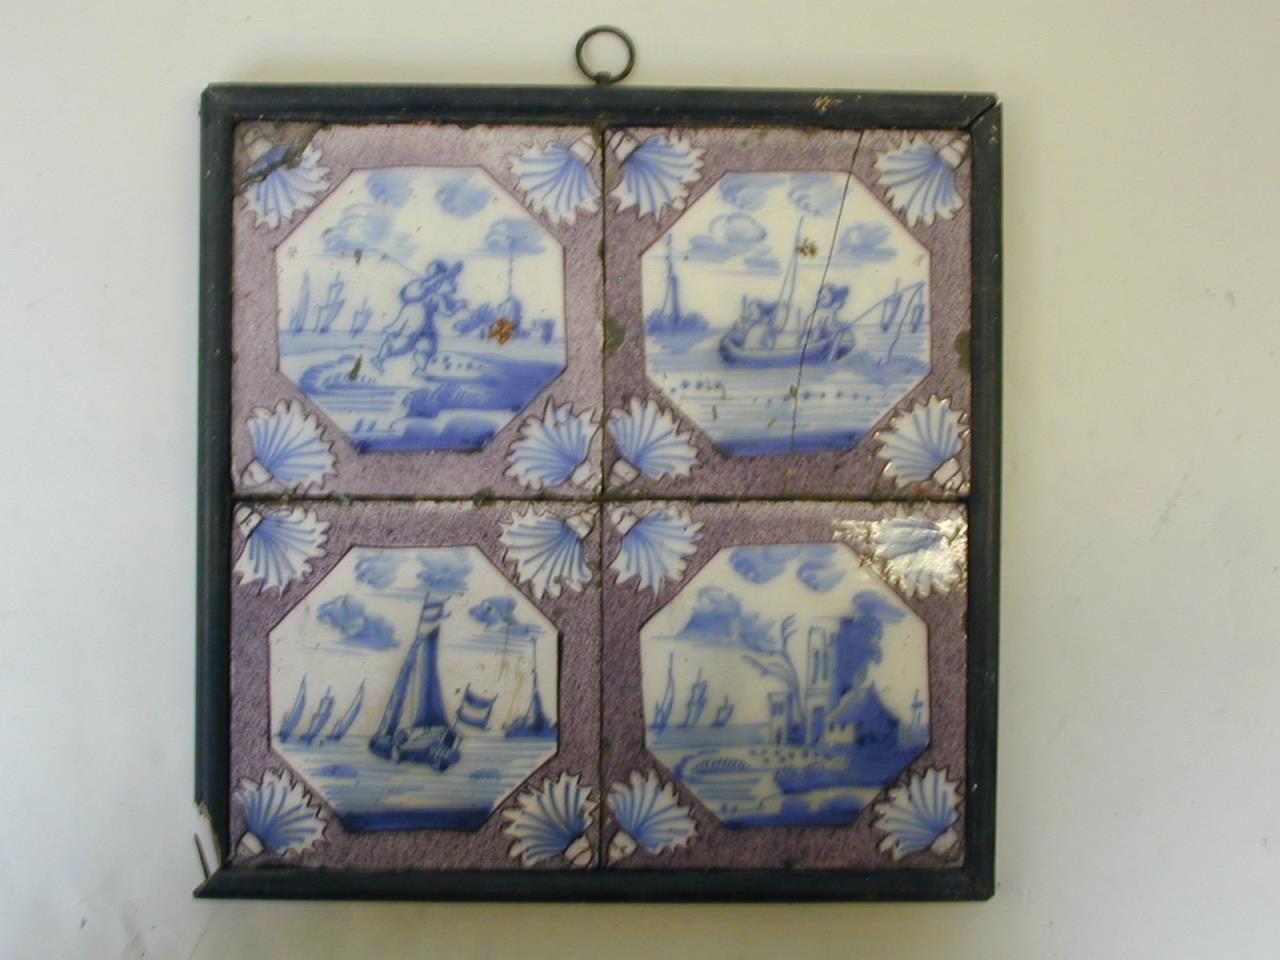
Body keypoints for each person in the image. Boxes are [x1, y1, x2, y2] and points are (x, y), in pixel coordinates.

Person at [372, 260, 468, 375]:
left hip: (426, 325)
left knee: (426, 346)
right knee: (401, 343)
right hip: (413, 320)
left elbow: (446, 312)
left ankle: (420, 369)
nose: (454, 284)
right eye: (451, 281)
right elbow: (446, 311)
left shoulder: (437, 297)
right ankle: (379, 358)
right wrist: (449, 275)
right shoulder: (421, 288)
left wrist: (458, 306)